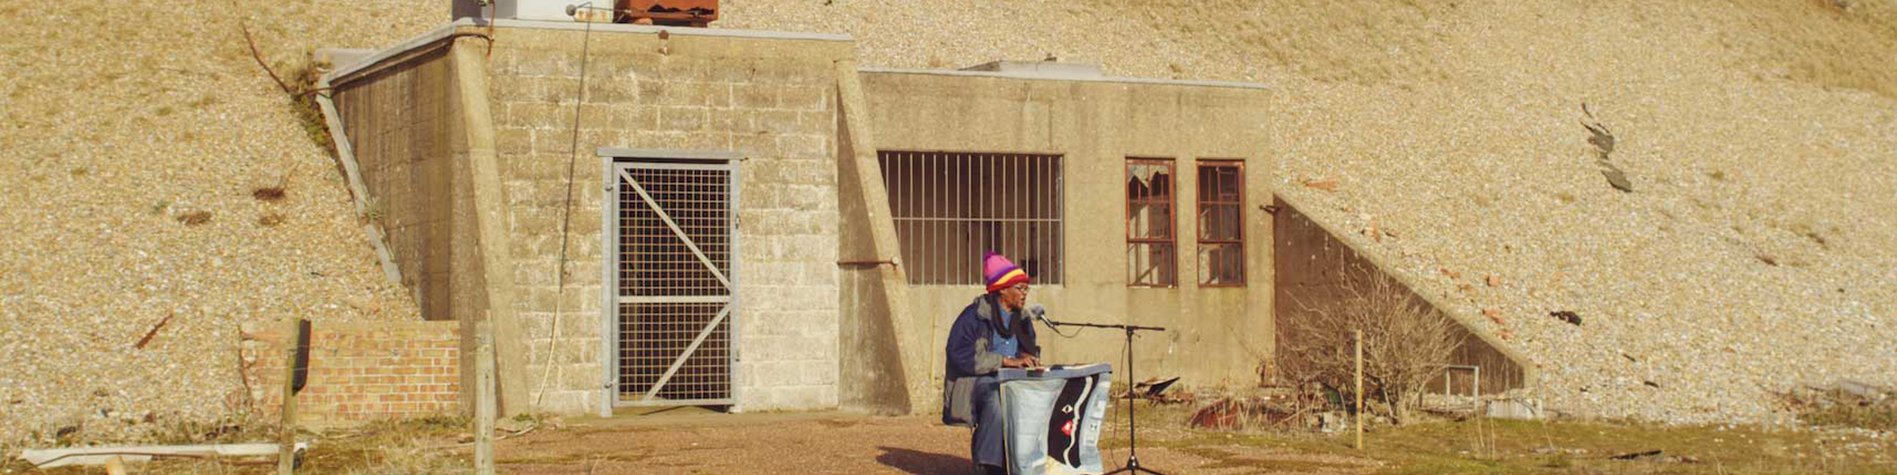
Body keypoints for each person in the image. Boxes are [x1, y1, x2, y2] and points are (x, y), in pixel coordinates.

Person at [943, 251, 1042, 474]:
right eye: (1020, 288)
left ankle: (1025, 463)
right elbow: (958, 355)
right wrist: (1005, 361)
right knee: (996, 401)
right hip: (977, 382)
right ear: (1002, 290)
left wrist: (1030, 360)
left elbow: (1028, 350)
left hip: (1014, 381)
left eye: (1027, 288)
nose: (1025, 294)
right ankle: (988, 467)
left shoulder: (1023, 319)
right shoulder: (974, 316)